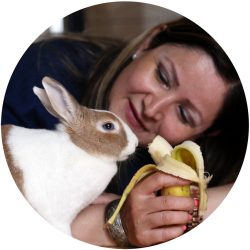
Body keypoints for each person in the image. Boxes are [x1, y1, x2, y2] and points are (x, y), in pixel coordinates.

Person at [1, 18, 248, 247]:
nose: (152, 108)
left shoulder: (180, 166)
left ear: (207, 133)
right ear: (147, 43)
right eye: (162, 77)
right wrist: (114, 220)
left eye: (184, 114)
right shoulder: (42, 68)